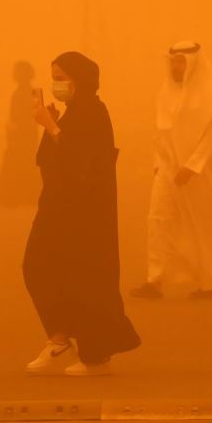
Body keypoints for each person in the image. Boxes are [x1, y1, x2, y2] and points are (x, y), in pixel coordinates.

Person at [23, 51, 141, 377]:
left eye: (62, 78)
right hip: (56, 208)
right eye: (54, 78)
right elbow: (51, 161)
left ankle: (96, 356)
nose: (57, 85)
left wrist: (53, 128)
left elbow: (85, 165)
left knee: (87, 281)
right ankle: (59, 337)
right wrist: (52, 125)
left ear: (80, 79)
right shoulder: (72, 112)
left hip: (85, 216)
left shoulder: (94, 113)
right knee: (36, 266)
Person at [131, 41, 212, 300]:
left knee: (201, 227)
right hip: (167, 169)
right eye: (173, 61)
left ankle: (208, 283)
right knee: (158, 221)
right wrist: (158, 165)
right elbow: (160, 133)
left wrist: (191, 167)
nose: (176, 67)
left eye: (181, 61)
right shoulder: (166, 92)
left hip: (200, 174)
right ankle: (155, 281)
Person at [0, 61, 40, 206]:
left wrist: (14, 129)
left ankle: (15, 196)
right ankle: (27, 195)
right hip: (27, 134)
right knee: (26, 164)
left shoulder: (23, 93)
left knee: (19, 163)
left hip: (22, 134)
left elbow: (29, 116)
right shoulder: (34, 92)